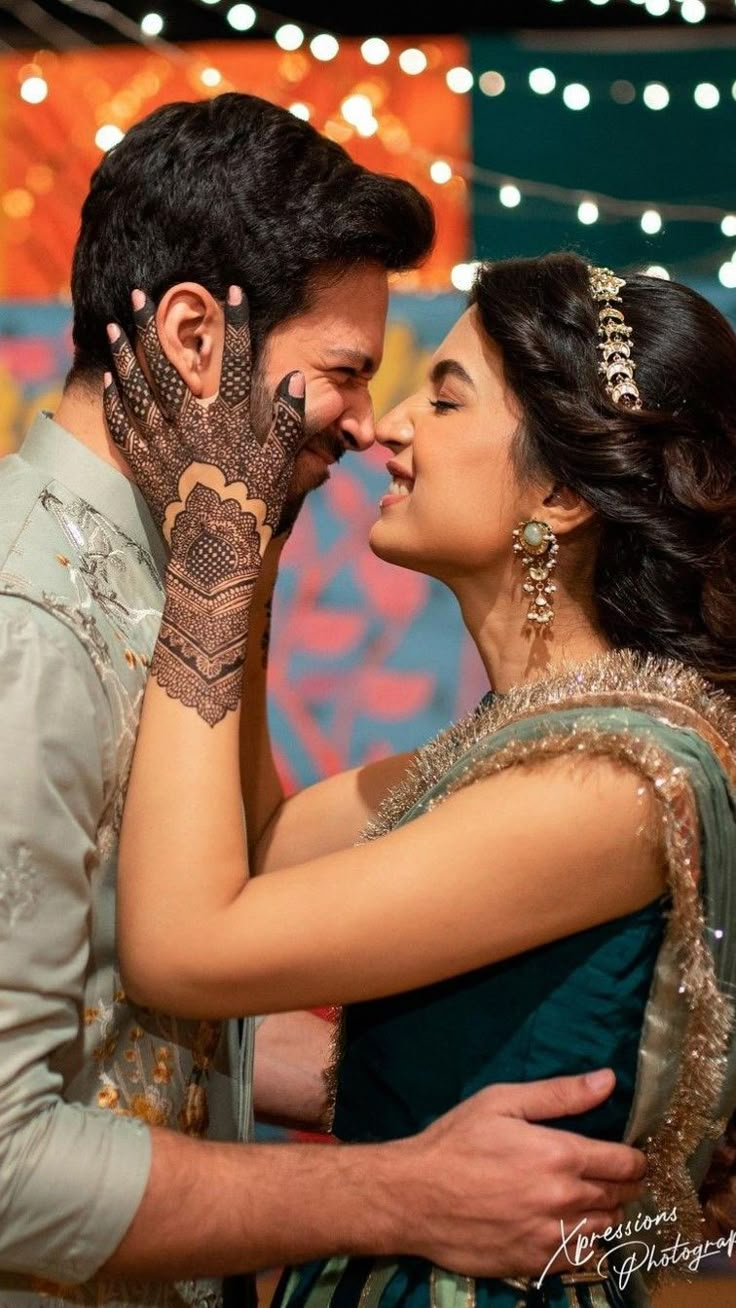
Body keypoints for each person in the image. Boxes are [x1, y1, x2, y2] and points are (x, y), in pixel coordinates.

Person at [0, 95, 642, 1308]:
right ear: (196, 336)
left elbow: (172, 978)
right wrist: (401, 1187)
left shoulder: (161, 585)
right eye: (345, 374)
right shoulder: (25, 629)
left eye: (427, 394)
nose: (367, 424)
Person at [108, 252, 736, 1307]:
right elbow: (252, 847)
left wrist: (209, 543)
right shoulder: (535, 746)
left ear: (557, 491)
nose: (388, 425)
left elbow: (183, 947)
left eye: (443, 399)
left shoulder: (607, 784)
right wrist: (258, 544)